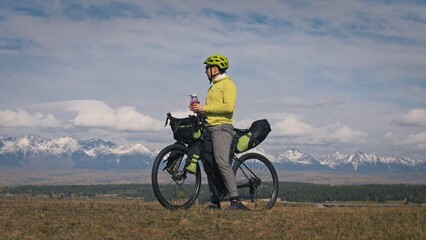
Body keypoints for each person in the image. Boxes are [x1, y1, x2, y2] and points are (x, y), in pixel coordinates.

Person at [189, 54, 246, 211]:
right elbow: (212, 110)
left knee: (221, 162)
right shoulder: (213, 86)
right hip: (210, 128)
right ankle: (216, 201)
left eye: (206, 68)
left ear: (214, 69)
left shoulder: (228, 84)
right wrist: (199, 109)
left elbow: (228, 107)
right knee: (209, 165)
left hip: (222, 128)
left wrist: (204, 108)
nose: (205, 71)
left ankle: (235, 201)